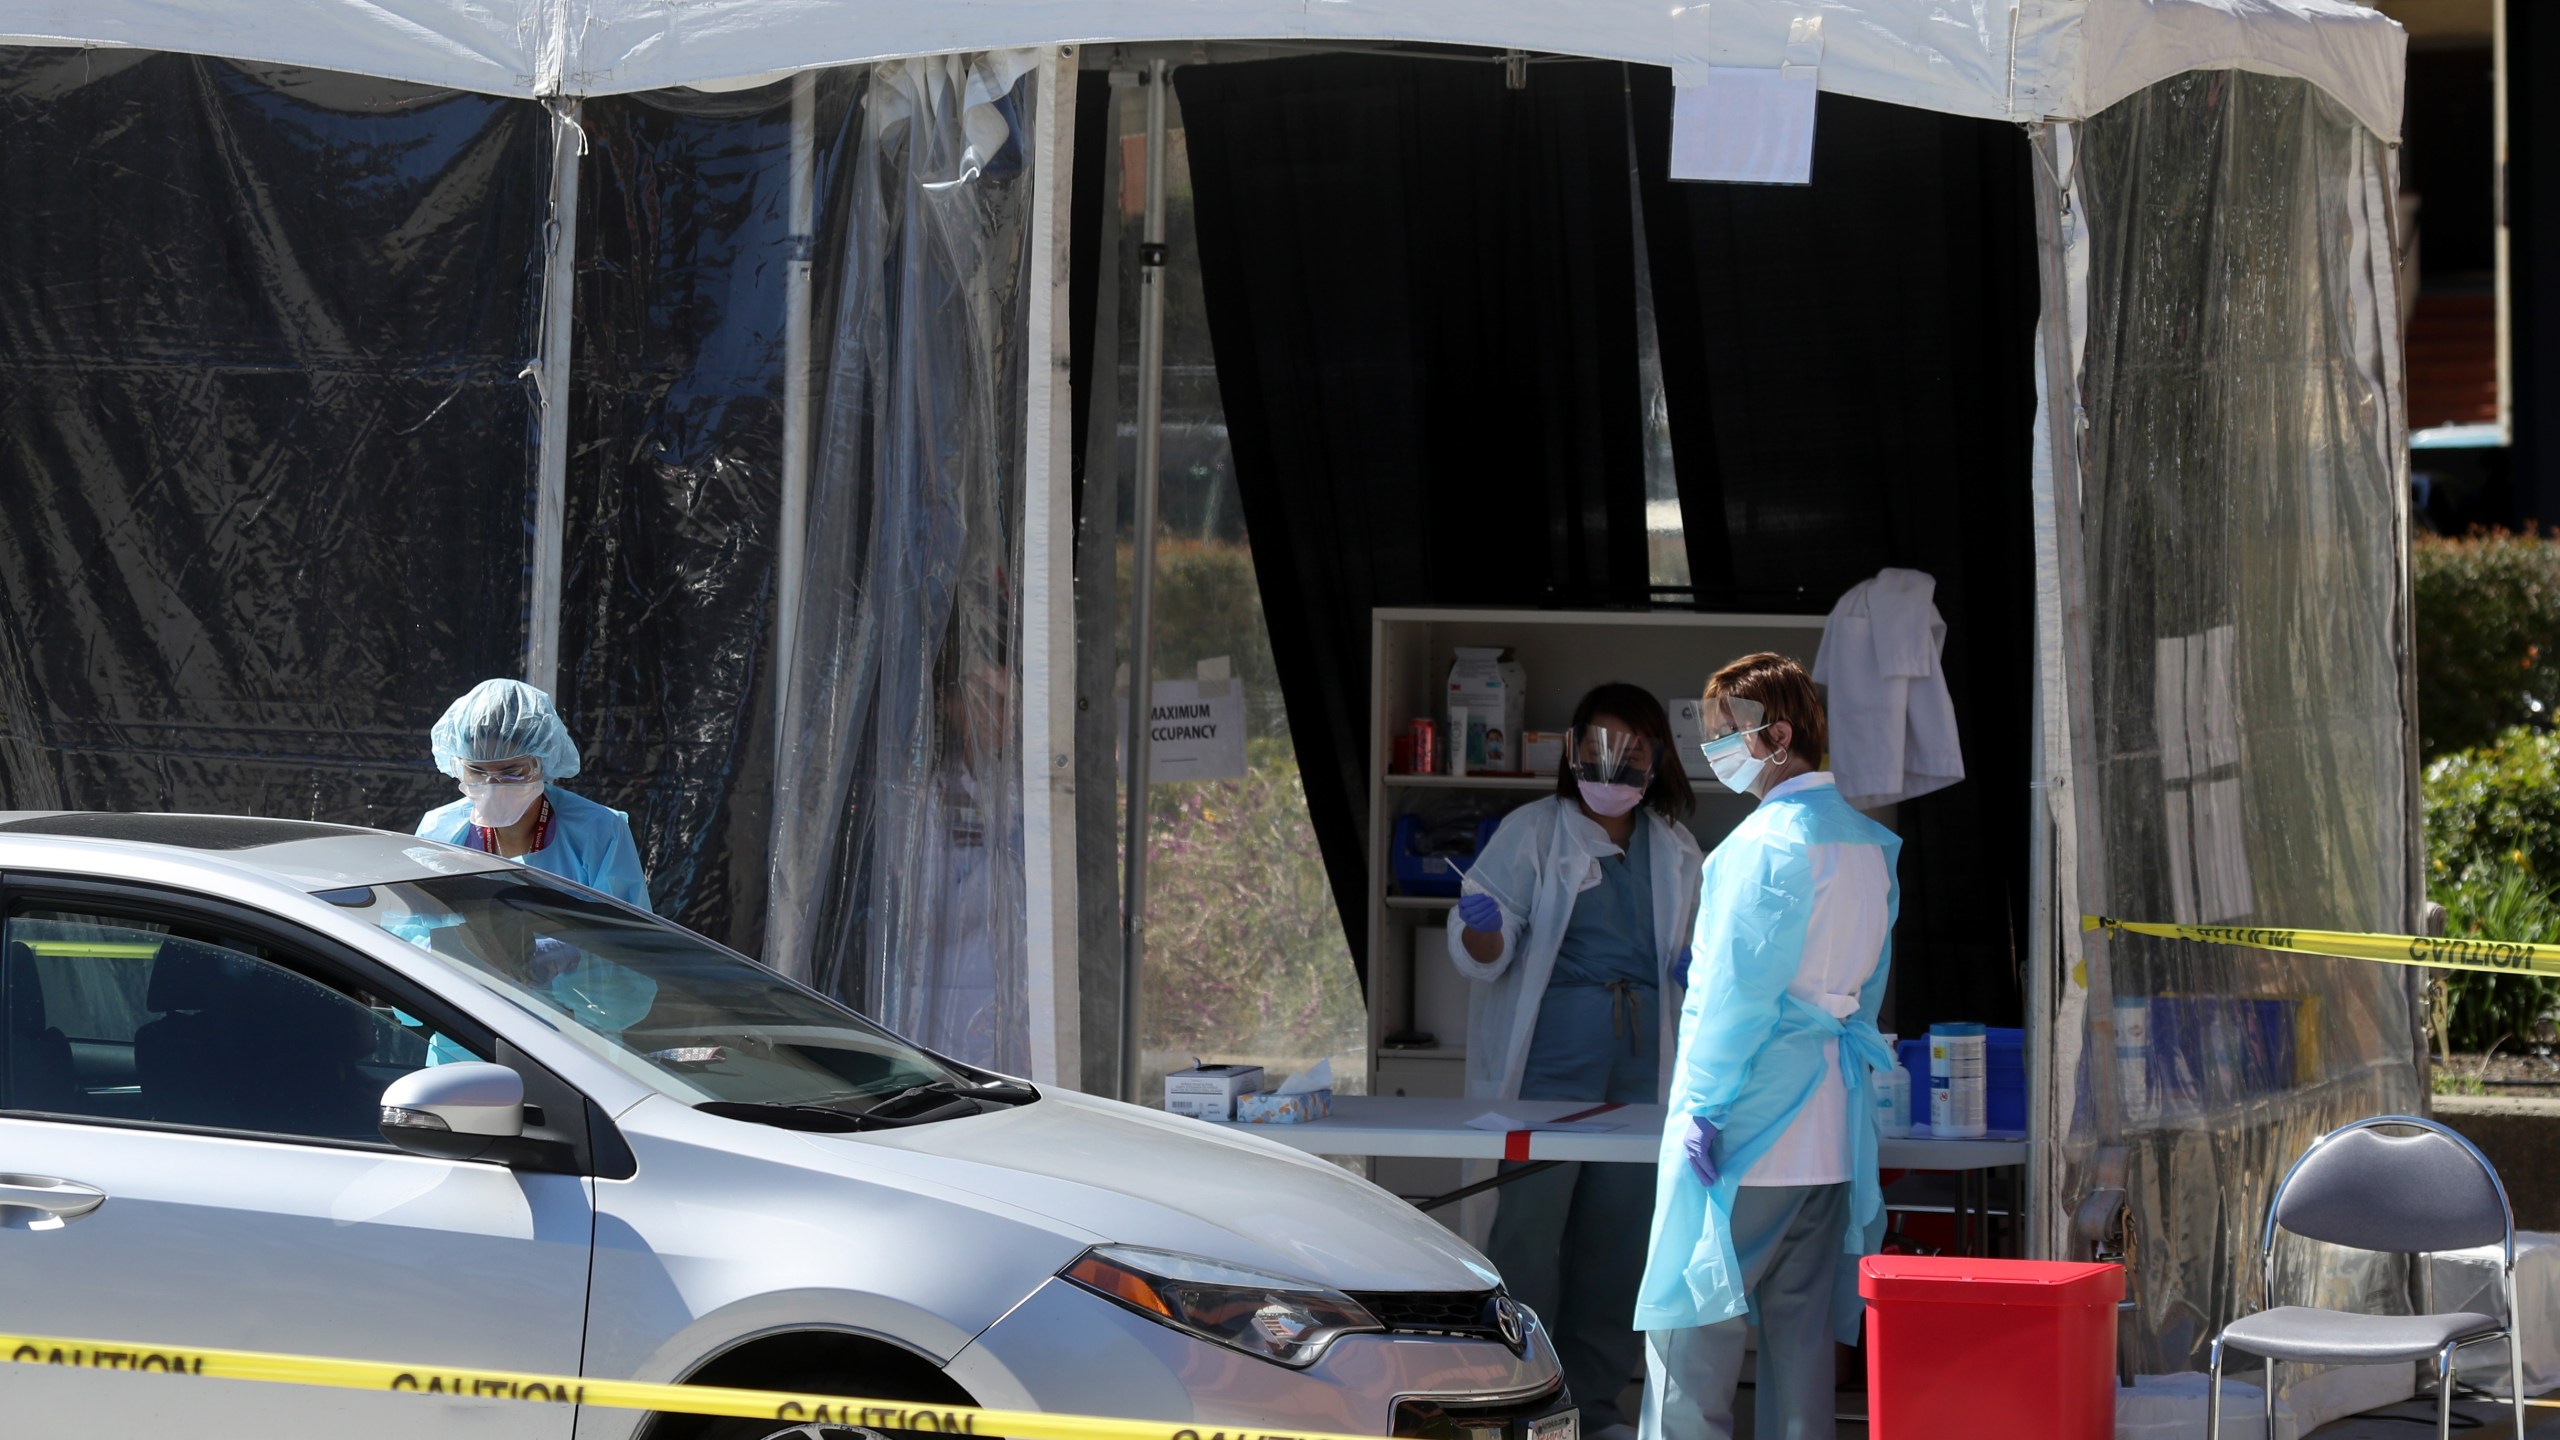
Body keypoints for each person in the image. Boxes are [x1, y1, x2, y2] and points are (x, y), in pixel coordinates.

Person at [1635, 653, 1900, 1440]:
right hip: (1832, 1128)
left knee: (1692, 1346)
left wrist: (1704, 1108)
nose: (1714, 747)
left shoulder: (1759, 849)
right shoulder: (1869, 847)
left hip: (1751, 1135)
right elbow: (1868, 993)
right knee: (1801, 1357)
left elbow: (1730, 1003)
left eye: (1727, 733)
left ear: (1778, 736)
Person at [1448, 682, 1705, 1440]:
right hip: (1549, 1062)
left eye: (1634, 754)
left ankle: (1593, 1408)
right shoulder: (1533, 833)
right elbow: (1484, 956)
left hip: (1638, 1064)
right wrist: (1481, 927)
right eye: (1600, 748)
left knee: (1617, 1240)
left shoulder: (1674, 847)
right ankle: (1516, 1403)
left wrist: (1696, 967)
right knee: (1528, 1231)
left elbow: (1688, 957)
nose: (1614, 768)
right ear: (1571, 749)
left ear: (1656, 761)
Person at [417, 679, 653, 912]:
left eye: (513, 772)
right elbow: (413, 929)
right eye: (477, 771)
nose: (493, 785)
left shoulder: (599, 832)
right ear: (457, 767)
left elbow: (624, 935)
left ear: (544, 761)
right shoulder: (438, 833)